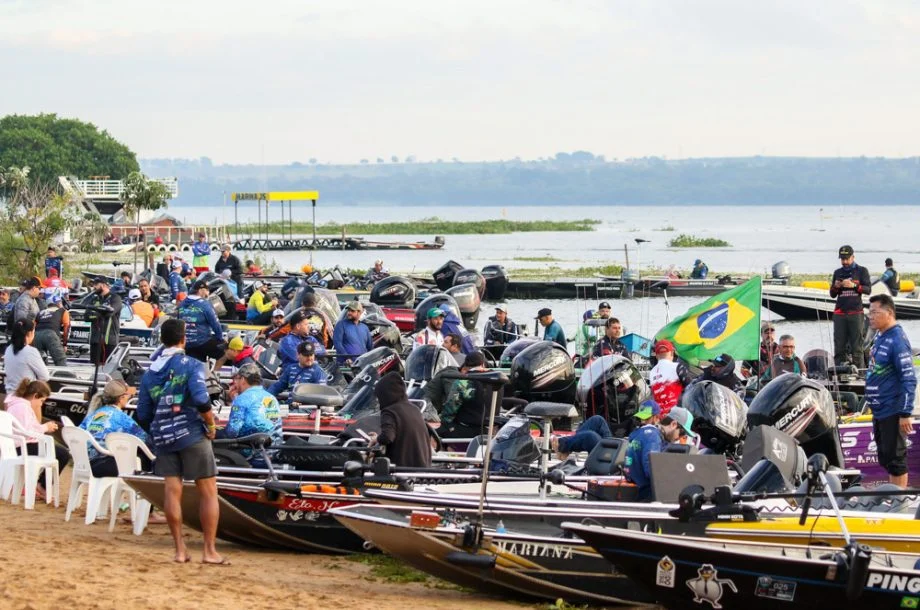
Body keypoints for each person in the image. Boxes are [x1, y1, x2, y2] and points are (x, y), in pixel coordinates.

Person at [135, 318, 226, 565]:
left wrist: (158, 430)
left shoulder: (150, 373)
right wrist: (210, 426)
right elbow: (202, 400)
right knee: (208, 492)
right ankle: (209, 551)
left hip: (164, 437)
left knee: (171, 492)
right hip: (192, 433)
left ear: (162, 340)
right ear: (184, 339)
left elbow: (143, 413)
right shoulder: (192, 365)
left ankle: (180, 550)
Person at [866, 293, 916, 486]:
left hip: (893, 409)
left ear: (889, 313)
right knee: (886, 458)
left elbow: (908, 378)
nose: (870, 316)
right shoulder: (880, 336)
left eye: (874, 312)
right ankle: (893, 495)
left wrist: (905, 413)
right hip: (879, 409)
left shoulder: (897, 340)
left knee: (896, 461)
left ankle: (899, 499)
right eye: (869, 312)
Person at [5, 379, 70, 496]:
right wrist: (45, 427)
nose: (41, 405)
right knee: (63, 454)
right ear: (35, 396)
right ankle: (42, 485)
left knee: (59, 452)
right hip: (21, 446)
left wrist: (44, 427)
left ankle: (41, 484)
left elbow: (25, 428)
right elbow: (26, 431)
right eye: (41, 401)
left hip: (17, 445)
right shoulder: (22, 407)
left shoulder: (16, 404)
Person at [79, 379, 150, 477]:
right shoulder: (122, 418)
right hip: (104, 464)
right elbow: (145, 440)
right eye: (128, 395)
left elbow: (79, 431)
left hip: (85, 463)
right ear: (121, 398)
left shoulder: (94, 414)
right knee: (144, 459)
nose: (129, 397)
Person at [220, 363, 283, 467]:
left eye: (236, 379)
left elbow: (232, 432)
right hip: (273, 453)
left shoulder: (241, 399)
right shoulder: (271, 398)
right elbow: (274, 425)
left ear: (243, 379)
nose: (235, 383)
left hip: (251, 455)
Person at [371, 371, 432, 468]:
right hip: (423, 467)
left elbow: (387, 437)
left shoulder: (389, 411)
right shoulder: (414, 409)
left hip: (402, 469)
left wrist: (377, 439)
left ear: (385, 394)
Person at [830, 244, 871, 368]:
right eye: (842, 259)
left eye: (847, 259)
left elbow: (868, 290)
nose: (845, 262)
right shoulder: (837, 272)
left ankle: (860, 372)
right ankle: (839, 372)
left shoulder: (862, 271)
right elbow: (832, 294)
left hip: (856, 313)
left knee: (857, 347)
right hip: (840, 313)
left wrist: (854, 285)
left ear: (853, 257)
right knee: (839, 347)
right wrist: (836, 286)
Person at [440, 351, 498, 437]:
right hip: (492, 431)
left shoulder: (463, 382)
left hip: (466, 431)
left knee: (433, 430)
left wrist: (443, 423)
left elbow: (449, 411)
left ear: (466, 365)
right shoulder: (498, 380)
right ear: (483, 364)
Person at [623, 400, 664, 501]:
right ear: (656, 418)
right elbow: (650, 466)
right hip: (647, 491)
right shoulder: (652, 436)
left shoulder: (635, 435)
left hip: (632, 485)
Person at [177, 279, 225, 362]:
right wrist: (220, 338)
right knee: (226, 352)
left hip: (186, 343)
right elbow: (215, 324)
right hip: (202, 342)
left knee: (197, 359)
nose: (207, 293)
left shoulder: (182, 304)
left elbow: (178, 322)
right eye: (207, 290)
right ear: (200, 290)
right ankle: (216, 370)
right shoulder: (205, 304)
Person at [648, 339, 695, 416]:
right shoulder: (678, 367)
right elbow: (691, 389)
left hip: (659, 416)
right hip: (676, 416)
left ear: (656, 355)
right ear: (672, 353)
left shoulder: (652, 372)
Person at [3, 320, 50, 393]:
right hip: (25, 395)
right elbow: (45, 377)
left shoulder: (8, 349)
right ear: (30, 333)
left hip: (10, 394)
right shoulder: (31, 351)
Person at [279, 310, 326, 375]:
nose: (309, 326)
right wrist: (312, 352)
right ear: (298, 326)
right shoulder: (287, 341)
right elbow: (298, 358)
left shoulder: (311, 338)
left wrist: (308, 352)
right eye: (306, 324)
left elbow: (322, 351)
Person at [87, 278, 122, 365]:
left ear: (103, 285)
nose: (94, 287)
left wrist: (95, 313)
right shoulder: (94, 299)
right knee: (94, 367)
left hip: (110, 341)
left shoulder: (115, 298)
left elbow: (109, 313)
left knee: (109, 367)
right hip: (95, 340)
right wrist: (100, 313)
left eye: (96, 284)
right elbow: (86, 317)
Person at [33, 292, 69, 365]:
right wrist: (65, 344)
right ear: (58, 303)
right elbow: (67, 327)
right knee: (61, 361)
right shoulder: (63, 311)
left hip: (37, 335)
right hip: (51, 335)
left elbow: (33, 327)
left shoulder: (40, 312)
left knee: (39, 362)